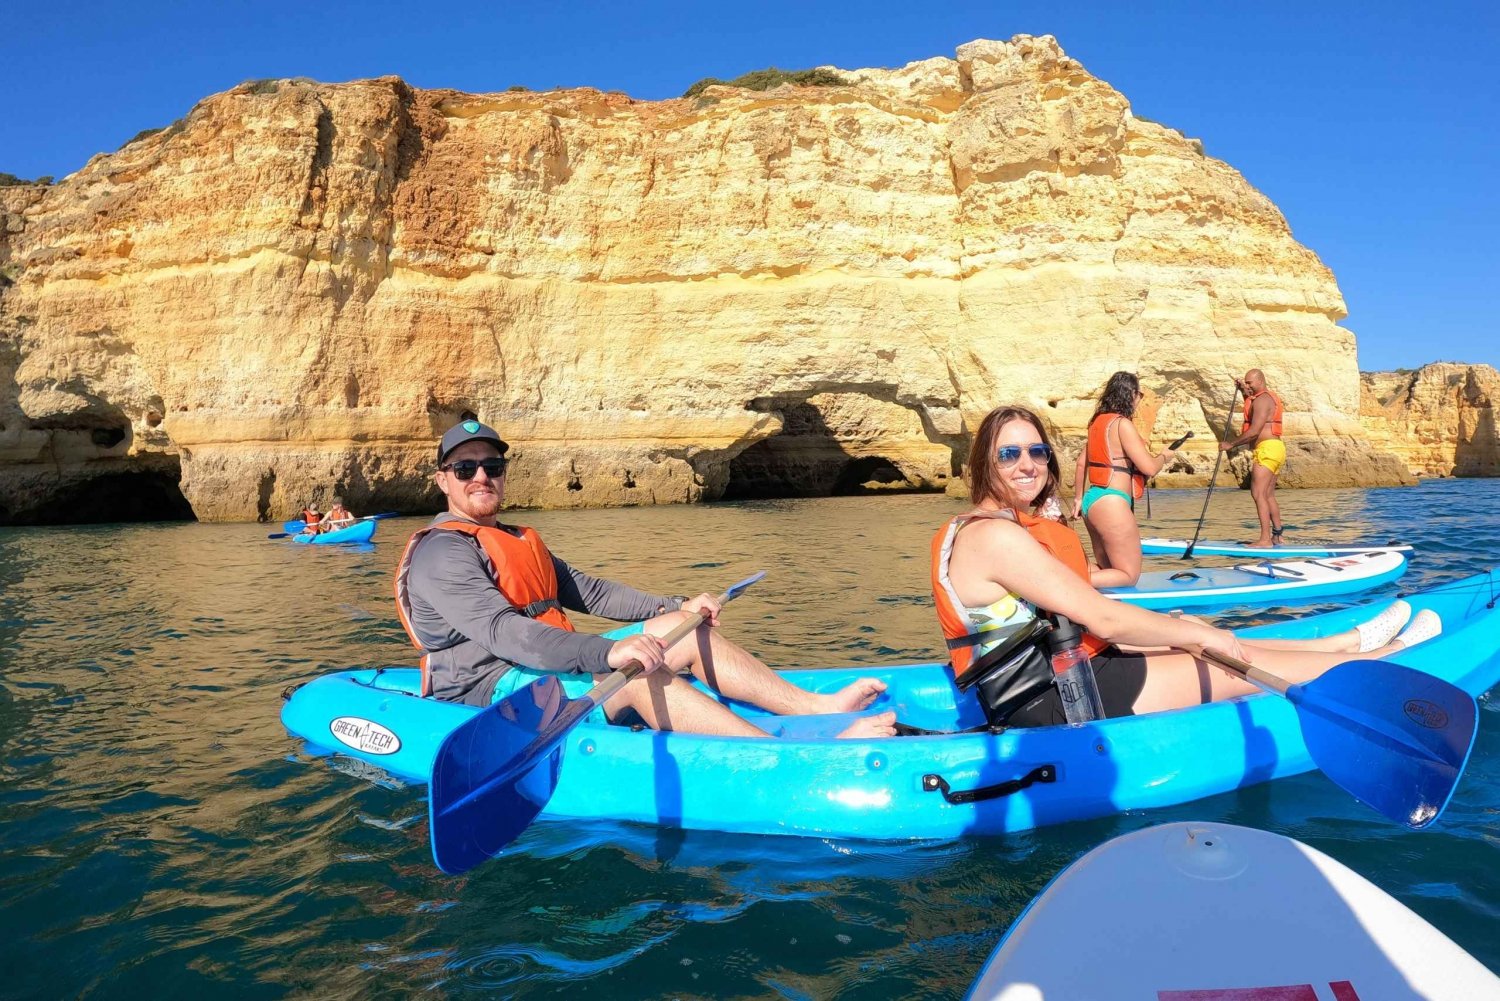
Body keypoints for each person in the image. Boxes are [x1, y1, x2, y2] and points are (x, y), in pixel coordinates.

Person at [931, 404, 1440, 727]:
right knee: (1214, 655)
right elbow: (1103, 618)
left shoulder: (995, 528)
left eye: (1037, 451)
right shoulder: (995, 536)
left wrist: (1176, 628)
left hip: (1064, 668)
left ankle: (1340, 643)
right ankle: (1385, 661)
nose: (1028, 464)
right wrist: (1199, 640)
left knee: (1190, 633)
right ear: (983, 465)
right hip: (1054, 699)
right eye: (1009, 454)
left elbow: (1070, 623)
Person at [394, 419, 897, 738]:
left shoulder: (515, 537)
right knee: (639, 672)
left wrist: (674, 604)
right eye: (465, 468)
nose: (481, 476)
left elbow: (589, 591)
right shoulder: (442, 553)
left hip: (548, 667)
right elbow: (507, 633)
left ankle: (814, 708)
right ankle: (776, 755)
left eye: (492, 465)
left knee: (682, 627)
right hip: (486, 692)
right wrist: (606, 653)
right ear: (443, 479)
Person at [1071, 372, 1180, 586]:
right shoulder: (1122, 425)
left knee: (1108, 570)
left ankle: (1065, 576)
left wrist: (1077, 499)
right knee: (1128, 576)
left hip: (1090, 501)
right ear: (1130, 394)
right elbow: (1148, 467)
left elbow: (1081, 463)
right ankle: (1059, 583)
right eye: (1139, 394)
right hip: (1112, 502)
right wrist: (1164, 457)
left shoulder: (1096, 424)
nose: (1139, 399)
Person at [1219, 369, 1285, 547]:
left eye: (1249, 383)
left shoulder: (1263, 400)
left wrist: (1231, 444)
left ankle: (1265, 539)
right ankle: (1277, 536)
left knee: (1257, 493)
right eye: (1245, 383)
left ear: (1260, 381)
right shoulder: (1260, 398)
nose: (1247, 385)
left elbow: (1255, 430)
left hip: (1268, 449)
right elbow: (1250, 402)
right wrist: (1242, 390)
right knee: (1268, 495)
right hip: (1274, 448)